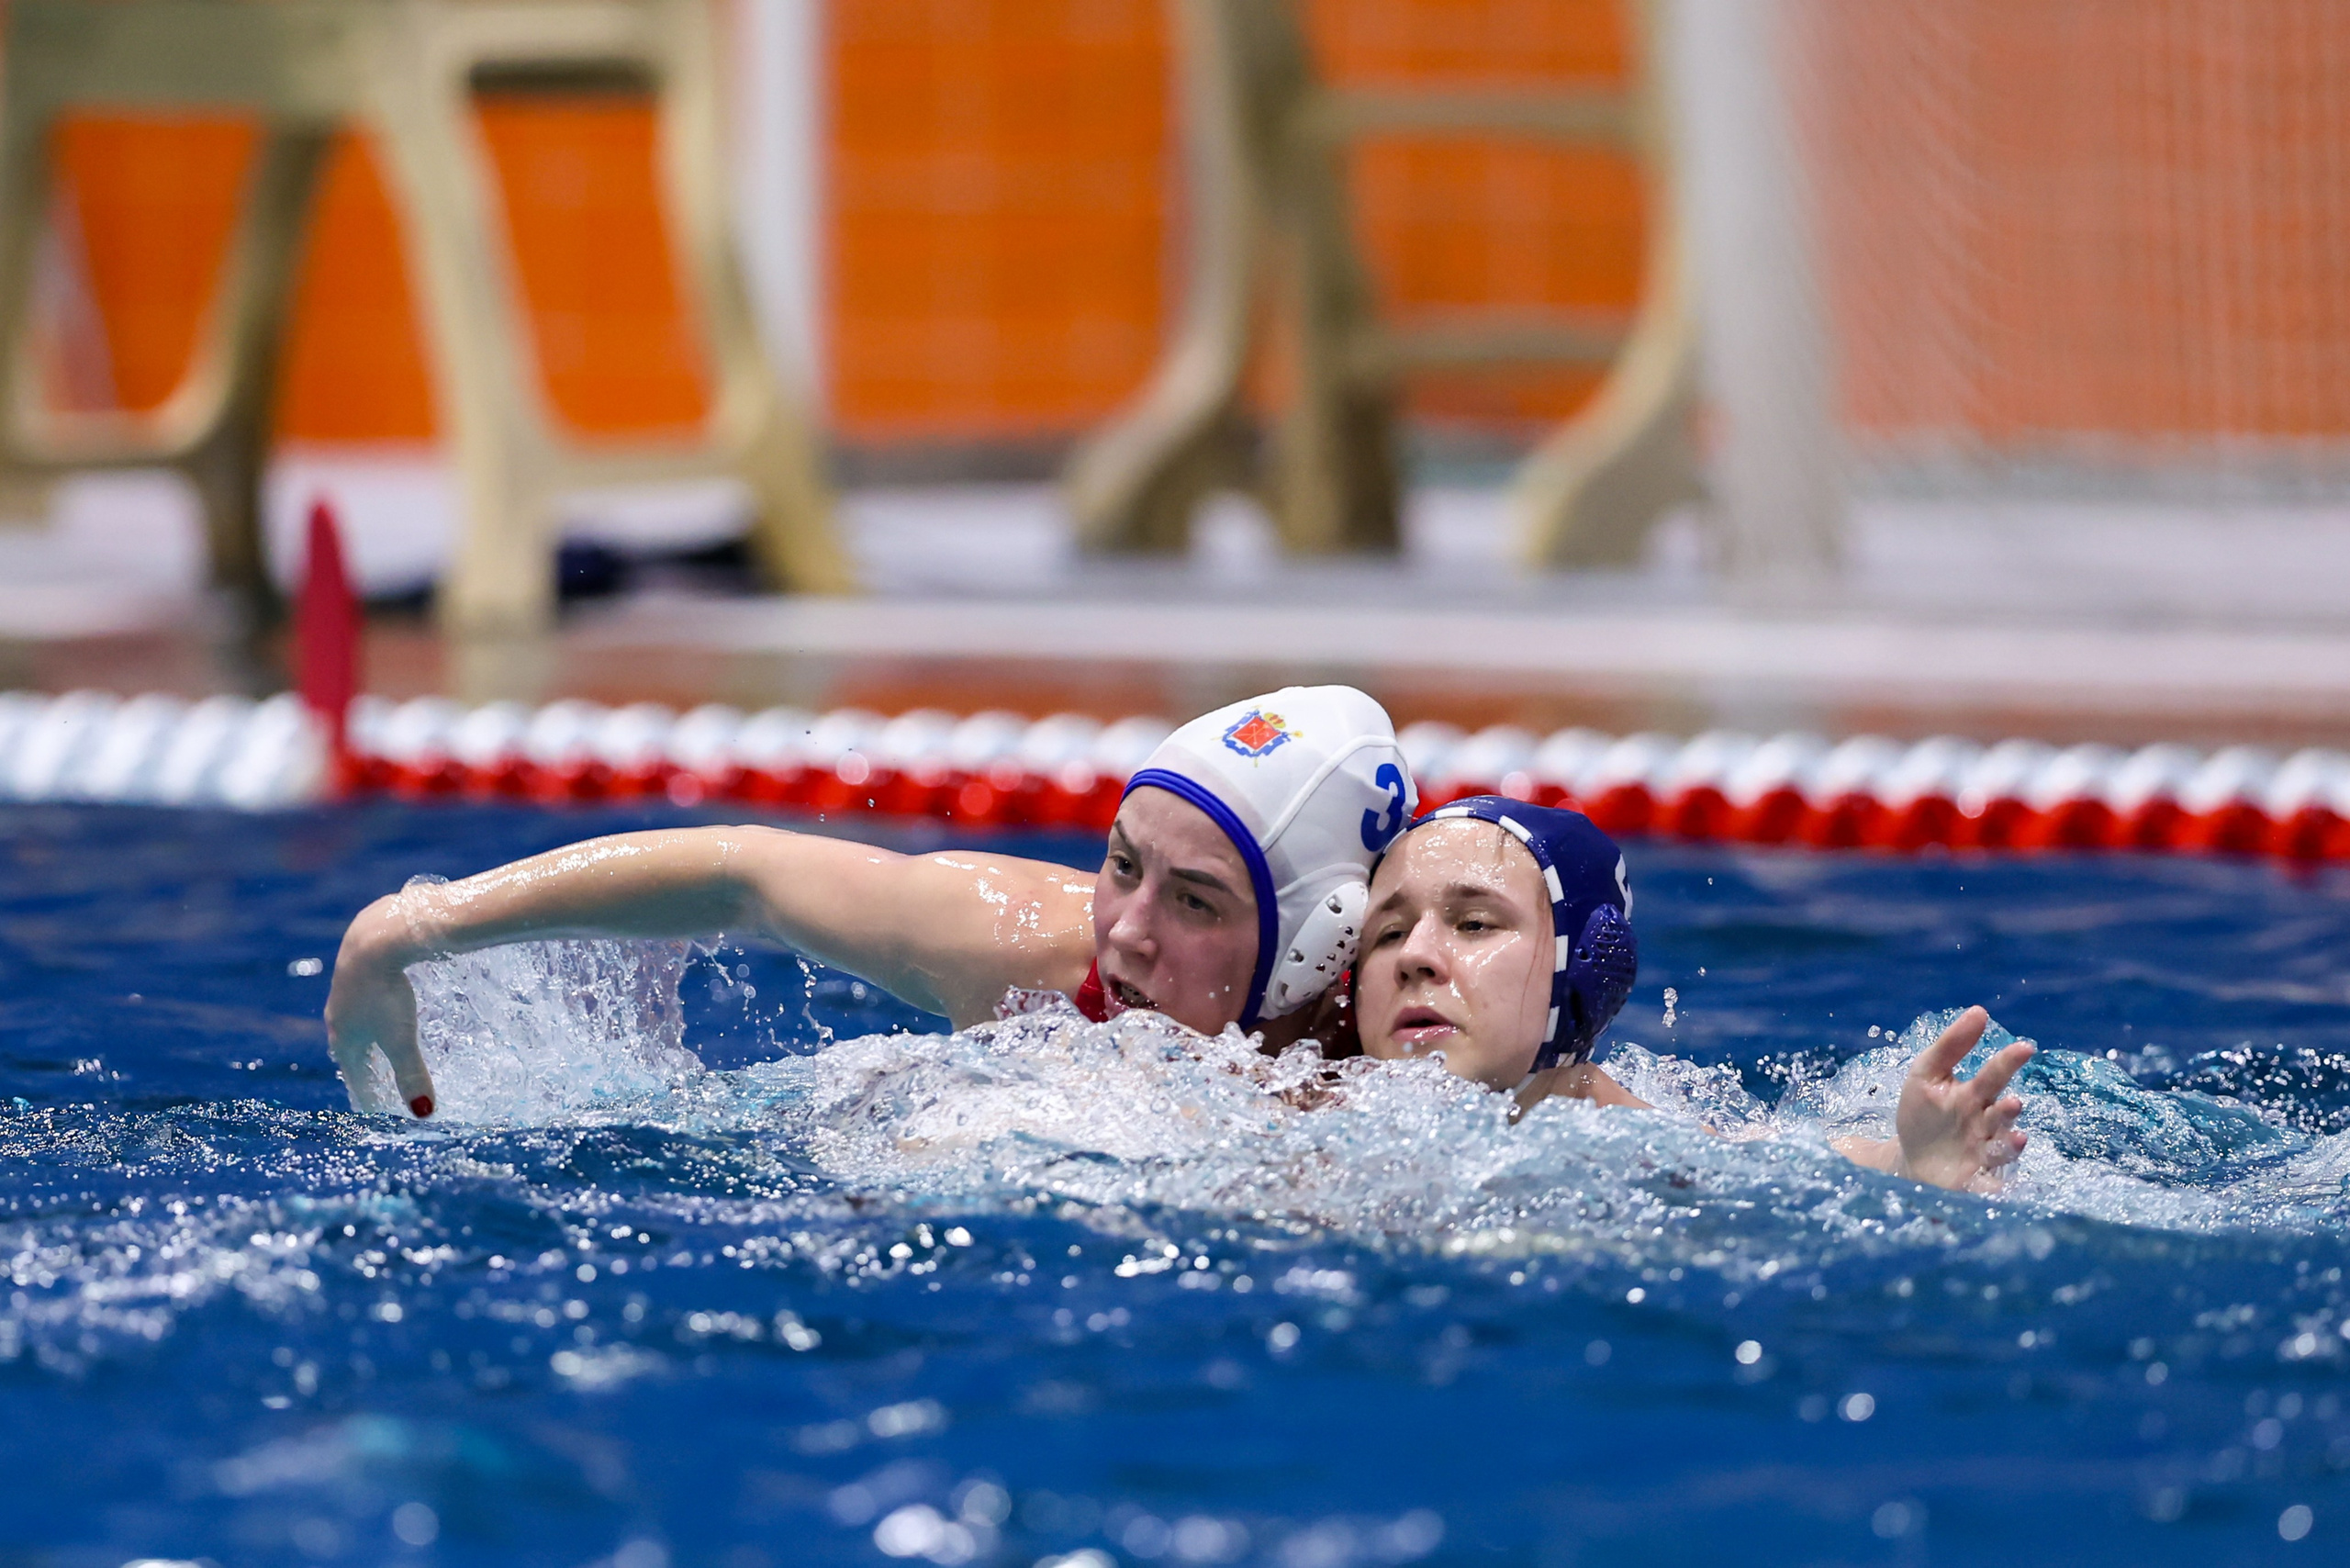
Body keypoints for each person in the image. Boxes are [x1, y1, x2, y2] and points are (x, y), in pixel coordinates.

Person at [327, 686, 1417, 1117]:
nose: (1124, 929)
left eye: (1193, 900)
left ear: (1314, 947)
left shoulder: (1414, 1065)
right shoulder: (1026, 950)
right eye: (1121, 865)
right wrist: (415, 924)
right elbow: (737, 869)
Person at [1349, 796, 2035, 1193]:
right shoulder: (1292, 1111)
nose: (1414, 956)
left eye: (1474, 924)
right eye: (1388, 933)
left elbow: (1774, 1160)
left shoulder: (1619, 1143)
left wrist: (1911, 1163)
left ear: (1583, 969)